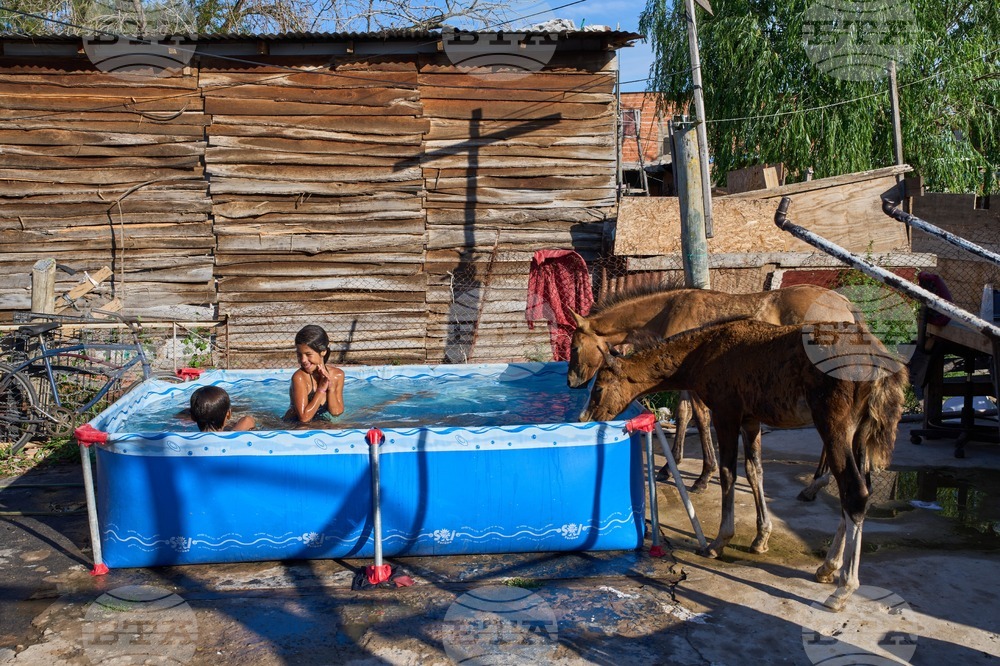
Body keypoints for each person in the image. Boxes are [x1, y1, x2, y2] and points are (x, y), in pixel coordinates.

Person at [285, 324, 345, 423]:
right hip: (294, 424)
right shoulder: (300, 378)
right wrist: (321, 389)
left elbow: (336, 412)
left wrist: (330, 388)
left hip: (320, 422)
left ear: (323, 351)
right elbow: (304, 418)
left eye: (308, 354)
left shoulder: (337, 375)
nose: (303, 360)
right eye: (299, 354)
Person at [190, 385, 255, 432]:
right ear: (229, 414)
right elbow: (247, 420)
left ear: (192, 416)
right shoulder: (232, 438)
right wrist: (234, 432)